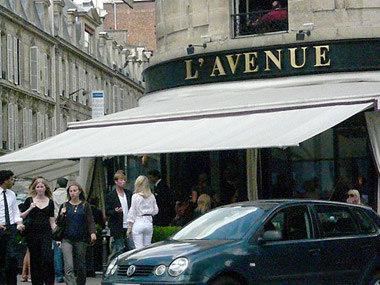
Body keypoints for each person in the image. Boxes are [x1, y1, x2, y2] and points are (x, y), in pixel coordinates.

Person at [57, 183, 96, 285]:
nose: (73, 193)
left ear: (79, 192)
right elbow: (59, 223)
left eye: (75, 191)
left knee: (81, 265)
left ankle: (80, 283)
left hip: (81, 238)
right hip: (67, 238)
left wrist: (92, 232)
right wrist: (62, 214)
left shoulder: (85, 206)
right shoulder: (65, 205)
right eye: (70, 191)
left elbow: (90, 220)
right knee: (68, 265)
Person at [20, 178, 56, 285]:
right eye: (38, 187)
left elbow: (52, 220)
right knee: (35, 259)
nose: (40, 189)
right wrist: (30, 208)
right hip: (32, 233)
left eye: (42, 187)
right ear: (35, 188)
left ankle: (49, 281)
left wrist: (57, 234)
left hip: (46, 232)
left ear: (45, 188)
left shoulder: (50, 202)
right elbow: (21, 216)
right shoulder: (29, 201)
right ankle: (37, 282)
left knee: (47, 257)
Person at [0, 170, 25, 285]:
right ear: (5, 180)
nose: (13, 181)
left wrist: (19, 222)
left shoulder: (11, 194)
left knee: (12, 258)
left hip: (10, 229)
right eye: (11, 179)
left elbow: (15, 211)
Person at [105, 172, 133, 261]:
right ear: (116, 182)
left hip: (128, 225)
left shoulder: (129, 194)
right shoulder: (110, 196)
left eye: (124, 180)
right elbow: (107, 211)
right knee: (118, 249)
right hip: (117, 225)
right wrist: (115, 211)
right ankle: (112, 266)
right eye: (121, 180)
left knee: (131, 248)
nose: (123, 182)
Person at [127, 175, 159, 249]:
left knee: (139, 248)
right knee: (147, 248)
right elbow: (156, 211)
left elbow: (132, 212)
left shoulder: (135, 196)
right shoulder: (151, 196)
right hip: (148, 222)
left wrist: (129, 228)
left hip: (138, 221)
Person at [52, 177, 68, 283]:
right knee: (68, 249)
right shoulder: (68, 195)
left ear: (57, 184)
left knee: (57, 250)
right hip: (67, 223)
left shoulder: (52, 195)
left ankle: (58, 275)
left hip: (55, 224)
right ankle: (68, 273)